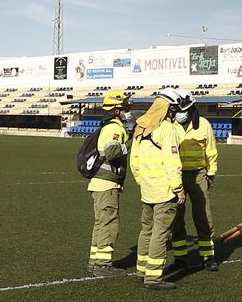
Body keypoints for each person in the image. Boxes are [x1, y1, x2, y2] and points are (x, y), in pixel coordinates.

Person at [129, 88, 186, 290]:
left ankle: (141, 270)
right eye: (174, 109)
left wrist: (141, 181)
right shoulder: (167, 129)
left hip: (147, 189)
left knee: (146, 230)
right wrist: (178, 189)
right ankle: (153, 277)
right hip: (164, 191)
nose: (175, 113)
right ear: (168, 108)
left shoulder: (141, 127)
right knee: (160, 233)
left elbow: (134, 160)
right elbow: (172, 162)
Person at [169, 90, 221, 271]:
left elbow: (211, 151)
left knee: (203, 215)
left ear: (191, 107)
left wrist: (211, 174)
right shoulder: (169, 124)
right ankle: (180, 257)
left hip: (198, 175)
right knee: (176, 216)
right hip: (176, 175)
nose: (180, 112)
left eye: (183, 109)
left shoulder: (204, 124)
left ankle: (208, 256)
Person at [86, 90, 133, 276]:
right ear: (116, 110)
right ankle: (103, 265)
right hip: (107, 183)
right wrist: (130, 143)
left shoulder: (108, 126)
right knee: (109, 223)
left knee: (101, 223)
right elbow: (112, 153)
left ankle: (94, 261)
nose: (127, 111)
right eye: (125, 108)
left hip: (99, 183)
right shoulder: (114, 128)